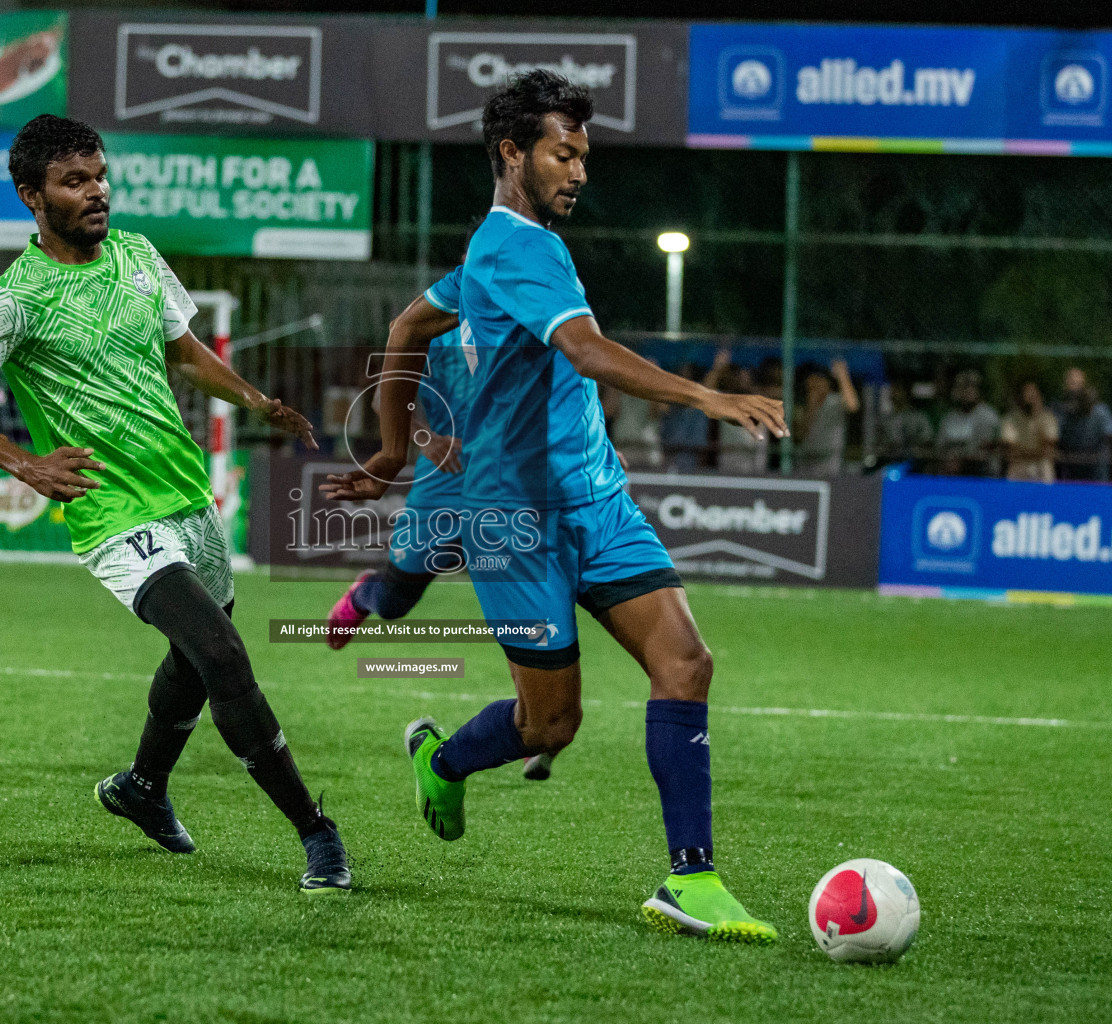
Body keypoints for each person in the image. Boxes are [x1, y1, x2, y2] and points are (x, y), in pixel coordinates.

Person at [321, 72, 786, 942]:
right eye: (560, 153)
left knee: (686, 664)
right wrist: (708, 399)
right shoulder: (513, 249)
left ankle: (693, 880)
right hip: (514, 523)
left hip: (597, 500)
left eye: (583, 154)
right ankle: (443, 759)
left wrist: (391, 448)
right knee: (552, 724)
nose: (578, 170)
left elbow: (404, 331)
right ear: (511, 154)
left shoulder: (497, 256)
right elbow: (586, 349)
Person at [0, 114, 350, 894]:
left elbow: (185, 352)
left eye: (100, 175)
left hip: (184, 493)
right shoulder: (12, 302)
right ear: (32, 195)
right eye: (74, 181)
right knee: (220, 655)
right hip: (112, 511)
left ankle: (142, 789)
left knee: (193, 656)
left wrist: (257, 400)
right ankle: (317, 834)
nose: (96, 192)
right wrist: (25, 465)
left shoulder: (139, 256)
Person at [323, 260, 557, 782]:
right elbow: (401, 388)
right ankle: (364, 595)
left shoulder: (535, 322)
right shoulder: (440, 324)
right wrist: (427, 439)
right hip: (443, 480)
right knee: (397, 603)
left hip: (512, 485)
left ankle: (537, 723)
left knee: (523, 603)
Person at [1054, 368, 1112, 482]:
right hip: (1070, 473)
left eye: (1078, 384)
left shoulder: (1100, 411)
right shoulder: (1060, 412)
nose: (1074, 389)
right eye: (1071, 383)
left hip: (1096, 473)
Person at [795, 359, 859, 476]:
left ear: (827, 383)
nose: (814, 384)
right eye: (811, 380)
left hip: (830, 466)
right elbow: (799, 436)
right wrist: (812, 406)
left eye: (819, 380)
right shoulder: (803, 404)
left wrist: (843, 375)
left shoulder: (834, 401)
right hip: (805, 465)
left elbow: (853, 405)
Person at [935, 369, 1000, 476]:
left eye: (970, 387)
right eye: (961, 388)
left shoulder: (988, 416)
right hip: (951, 471)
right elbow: (940, 445)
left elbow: (984, 449)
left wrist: (960, 459)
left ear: (978, 391)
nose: (965, 392)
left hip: (980, 473)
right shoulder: (950, 417)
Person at [1000, 381, 1058, 483]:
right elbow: (1012, 449)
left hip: (1041, 464)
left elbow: (1048, 448)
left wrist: (1029, 452)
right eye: (1027, 394)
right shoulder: (1010, 419)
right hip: (1019, 464)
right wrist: (1035, 452)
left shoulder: (1048, 418)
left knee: (1046, 468)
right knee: (1014, 470)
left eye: (1033, 395)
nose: (1030, 398)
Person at [656, 362, 709, 471]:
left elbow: (708, 391)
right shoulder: (670, 407)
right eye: (681, 379)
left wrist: (718, 367)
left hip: (692, 462)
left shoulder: (699, 410)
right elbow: (660, 407)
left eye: (687, 380)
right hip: (669, 461)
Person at [877, 380, 934, 465]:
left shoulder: (918, 417)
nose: (893, 394)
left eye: (897, 390)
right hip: (889, 463)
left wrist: (914, 446)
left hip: (915, 463)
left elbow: (928, 440)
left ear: (906, 393)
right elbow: (879, 444)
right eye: (892, 390)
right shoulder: (885, 419)